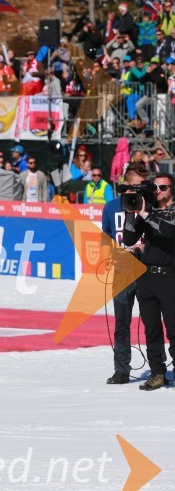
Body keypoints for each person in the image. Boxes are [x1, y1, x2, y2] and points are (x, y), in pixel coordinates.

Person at [122, 172, 175, 390]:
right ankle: (157, 372)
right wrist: (132, 212)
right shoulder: (148, 212)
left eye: (164, 187)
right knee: (151, 329)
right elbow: (128, 238)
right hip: (147, 277)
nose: (159, 191)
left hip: (171, 277)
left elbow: (169, 232)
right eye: (156, 187)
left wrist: (146, 215)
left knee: (173, 328)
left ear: (172, 189)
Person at [101, 163, 147, 384]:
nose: (140, 190)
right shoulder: (110, 208)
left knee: (153, 321)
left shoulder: (150, 206)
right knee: (122, 322)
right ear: (126, 185)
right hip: (121, 271)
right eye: (137, 186)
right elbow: (105, 237)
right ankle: (121, 370)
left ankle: (158, 368)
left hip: (148, 270)